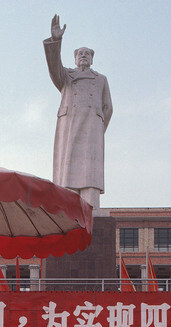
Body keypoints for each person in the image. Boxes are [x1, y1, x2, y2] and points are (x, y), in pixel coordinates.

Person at [43, 14, 113, 211]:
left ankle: (91, 209)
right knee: (68, 173)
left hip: (92, 130)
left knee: (90, 173)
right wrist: (56, 40)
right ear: (74, 58)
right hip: (70, 127)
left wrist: (98, 129)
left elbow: (108, 107)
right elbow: (53, 67)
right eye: (80, 53)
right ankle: (69, 209)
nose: (83, 56)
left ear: (92, 59)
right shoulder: (66, 76)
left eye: (87, 54)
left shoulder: (101, 79)